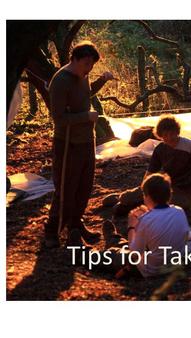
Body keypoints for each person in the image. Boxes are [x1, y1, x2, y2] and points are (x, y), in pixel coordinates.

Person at [44, 41, 115, 248]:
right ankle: (52, 230)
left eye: (92, 65)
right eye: (86, 63)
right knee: (66, 188)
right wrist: (86, 116)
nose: (89, 68)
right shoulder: (61, 81)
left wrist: (102, 80)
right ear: (73, 59)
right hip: (68, 143)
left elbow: (86, 94)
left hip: (86, 141)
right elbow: (59, 118)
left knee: (84, 187)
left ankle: (75, 224)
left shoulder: (82, 75)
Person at [80, 173, 190, 278]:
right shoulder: (179, 211)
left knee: (111, 254)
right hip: (171, 265)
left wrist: (132, 225)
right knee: (129, 246)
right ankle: (113, 238)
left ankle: (80, 252)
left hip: (148, 270)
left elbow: (134, 255)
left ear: (148, 196)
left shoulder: (147, 220)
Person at [113, 114, 191, 221]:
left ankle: (128, 207)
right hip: (165, 187)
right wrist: (143, 192)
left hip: (184, 191)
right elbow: (149, 175)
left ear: (177, 132)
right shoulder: (160, 149)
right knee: (127, 198)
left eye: (172, 134)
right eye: (165, 135)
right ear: (160, 136)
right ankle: (123, 200)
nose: (169, 138)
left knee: (163, 207)